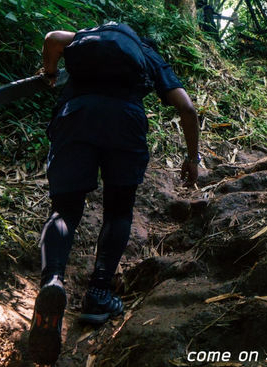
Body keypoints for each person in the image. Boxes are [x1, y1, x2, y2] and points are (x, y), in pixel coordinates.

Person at [28, 23, 200, 365]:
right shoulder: (148, 54)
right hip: (126, 123)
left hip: (75, 116)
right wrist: (192, 158)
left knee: (64, 211)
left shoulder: (85, 38)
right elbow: (188, 109)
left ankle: (53, 281)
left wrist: (49, 73)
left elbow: (52, 40)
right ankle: (99, 295)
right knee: (119, 210)